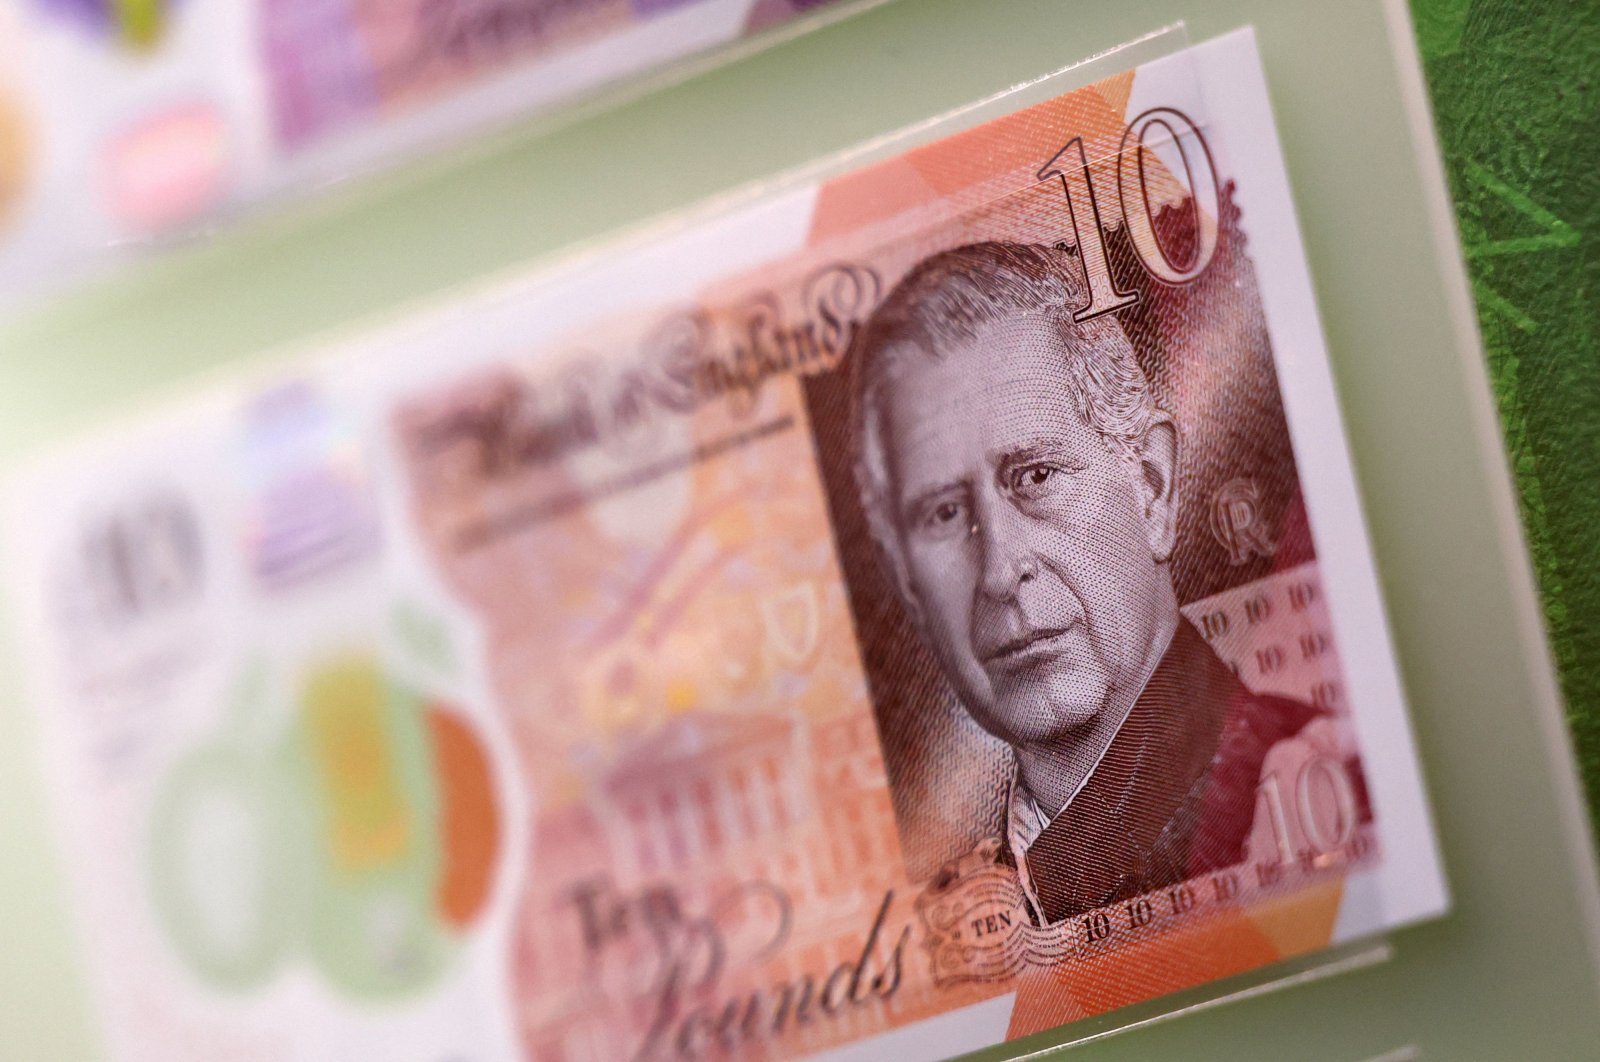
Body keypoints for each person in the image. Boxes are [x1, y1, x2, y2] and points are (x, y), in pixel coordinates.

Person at [849, 241, 1319, 926]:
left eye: (1035, 476)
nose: (1001, 570)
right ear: (908, 584)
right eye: (945, 513)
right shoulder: (940, 911)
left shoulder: (1312, 783)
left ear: (1153, 490)